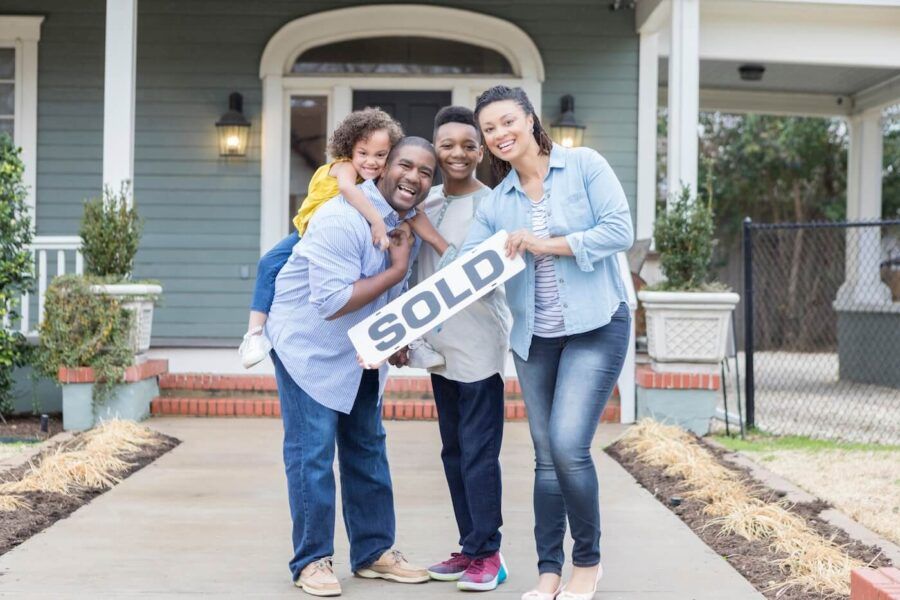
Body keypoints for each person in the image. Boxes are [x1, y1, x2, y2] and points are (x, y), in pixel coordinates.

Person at [461, 86, 634, 600]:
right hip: (535, 339)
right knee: (544, 457)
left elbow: (619, 230)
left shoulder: (583, 165)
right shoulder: (496, 203)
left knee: (566, 445)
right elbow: (466, 270)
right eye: (488, 129)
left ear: (530, 119)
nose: (499, 134)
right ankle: (549, 574)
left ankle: (588, 563)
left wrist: (545, 244)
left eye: (507, 121)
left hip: (597, 326)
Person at [265, 137, 438, 597]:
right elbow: (331, 302)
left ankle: (374, 552)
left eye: (425, 172)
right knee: (313, 453)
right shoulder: (342, 219)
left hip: (362, 348)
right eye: (405, 165)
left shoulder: (402, 224)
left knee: (367, 447)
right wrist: (397, 271)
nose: (413, 178)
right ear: (380, 169)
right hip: (310, 347)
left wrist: (399, 335)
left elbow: (388, 297)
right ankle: (312, 560)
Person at [398, 106, 512, 592]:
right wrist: (404, 331)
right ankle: (470, 547)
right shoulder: (430, 200)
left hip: (480, 344)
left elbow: (482, 277)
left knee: (479, 454)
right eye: (447, 145)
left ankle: (491, 554)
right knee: (453, 452)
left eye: (468, 144)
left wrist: (430, 233)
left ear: (481, 150)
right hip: (438, 348)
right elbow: (412, 274)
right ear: (436, 149)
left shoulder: (496, 205)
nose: (458, 153)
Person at [239, 108, 445, 368]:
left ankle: (406, 340)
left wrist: (445, 248)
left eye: (380, 155)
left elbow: (416, 214)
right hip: (306, 234)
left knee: (395, 278)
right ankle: (254, 334)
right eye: (363, 153)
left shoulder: (379, 184)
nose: (371, 161)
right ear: (350, 149)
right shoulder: (345, 168)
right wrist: (377, 222)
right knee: (268, 264)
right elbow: (348, 191)